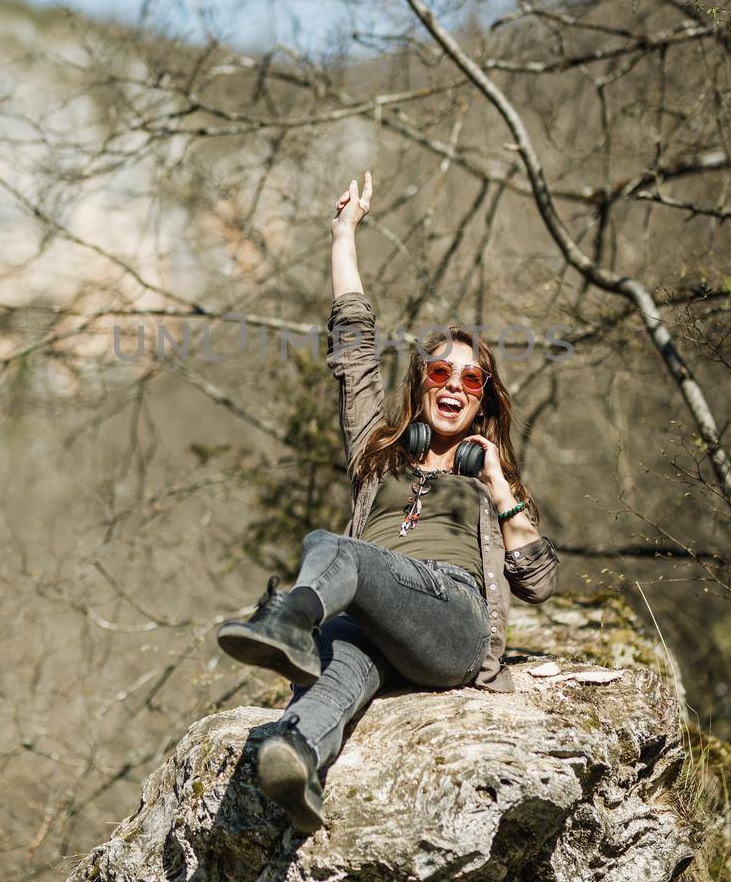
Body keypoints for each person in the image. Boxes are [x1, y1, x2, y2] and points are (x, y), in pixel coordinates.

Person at [216, 170, 560, 833]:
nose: (453, 385)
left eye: (470, 378)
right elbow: (353, 351)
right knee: (343, 661)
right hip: (377, 620)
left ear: (483, 396)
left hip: (450, 624)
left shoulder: (489, 476)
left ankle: (288, 622)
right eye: (439, 372)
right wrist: (343, 234)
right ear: (421, 384)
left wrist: (500, 491)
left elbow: (540, 582)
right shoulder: (379, 451)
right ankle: (299, 757)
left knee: (331, 546)